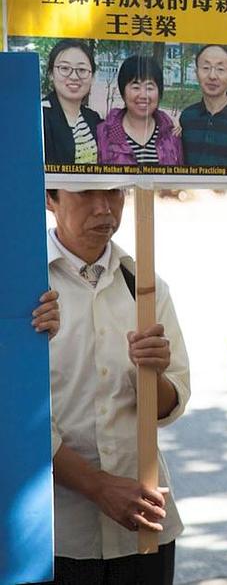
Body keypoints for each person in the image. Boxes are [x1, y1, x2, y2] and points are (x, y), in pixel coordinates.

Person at [42, 188, 191, 585]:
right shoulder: (25, 286)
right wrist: (98, 487)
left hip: (142, 530)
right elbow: (16, 414)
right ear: (50, 198)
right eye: (86, 193)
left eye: (114, 192)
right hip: (54, 534)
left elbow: (170, 403)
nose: (104, 208)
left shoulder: (142, 283)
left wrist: (153, 373)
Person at [97, 56, 183, 166]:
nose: (143, 95)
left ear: (159, 92)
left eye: (149, 88)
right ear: (123, 92)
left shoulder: (171, 133)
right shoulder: (104, 133)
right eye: (136, 87)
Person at [42, 39, 102, 165]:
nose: (74, 77)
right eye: (64, 68)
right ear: (51, 74)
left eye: (81, 70)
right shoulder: (39, 117)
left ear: (92, 77)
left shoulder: (93, 118)